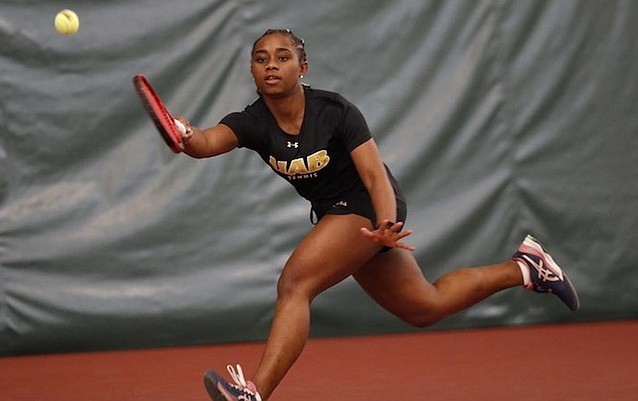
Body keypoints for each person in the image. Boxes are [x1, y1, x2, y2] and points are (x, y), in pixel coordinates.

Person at [175, 28, 580, 401]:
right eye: (261, 59)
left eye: (282, 57)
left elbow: (373, 173)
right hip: (337, 215)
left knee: (295, 285)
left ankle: (253, 393)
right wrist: (185, 134)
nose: (271, 66)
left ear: (303, 67)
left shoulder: (335, 111)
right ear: (252, 70)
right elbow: (207, 142)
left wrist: (385, 223)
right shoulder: (253, 122)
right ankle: (528, 267)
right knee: (425, 306)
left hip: (369, 206)